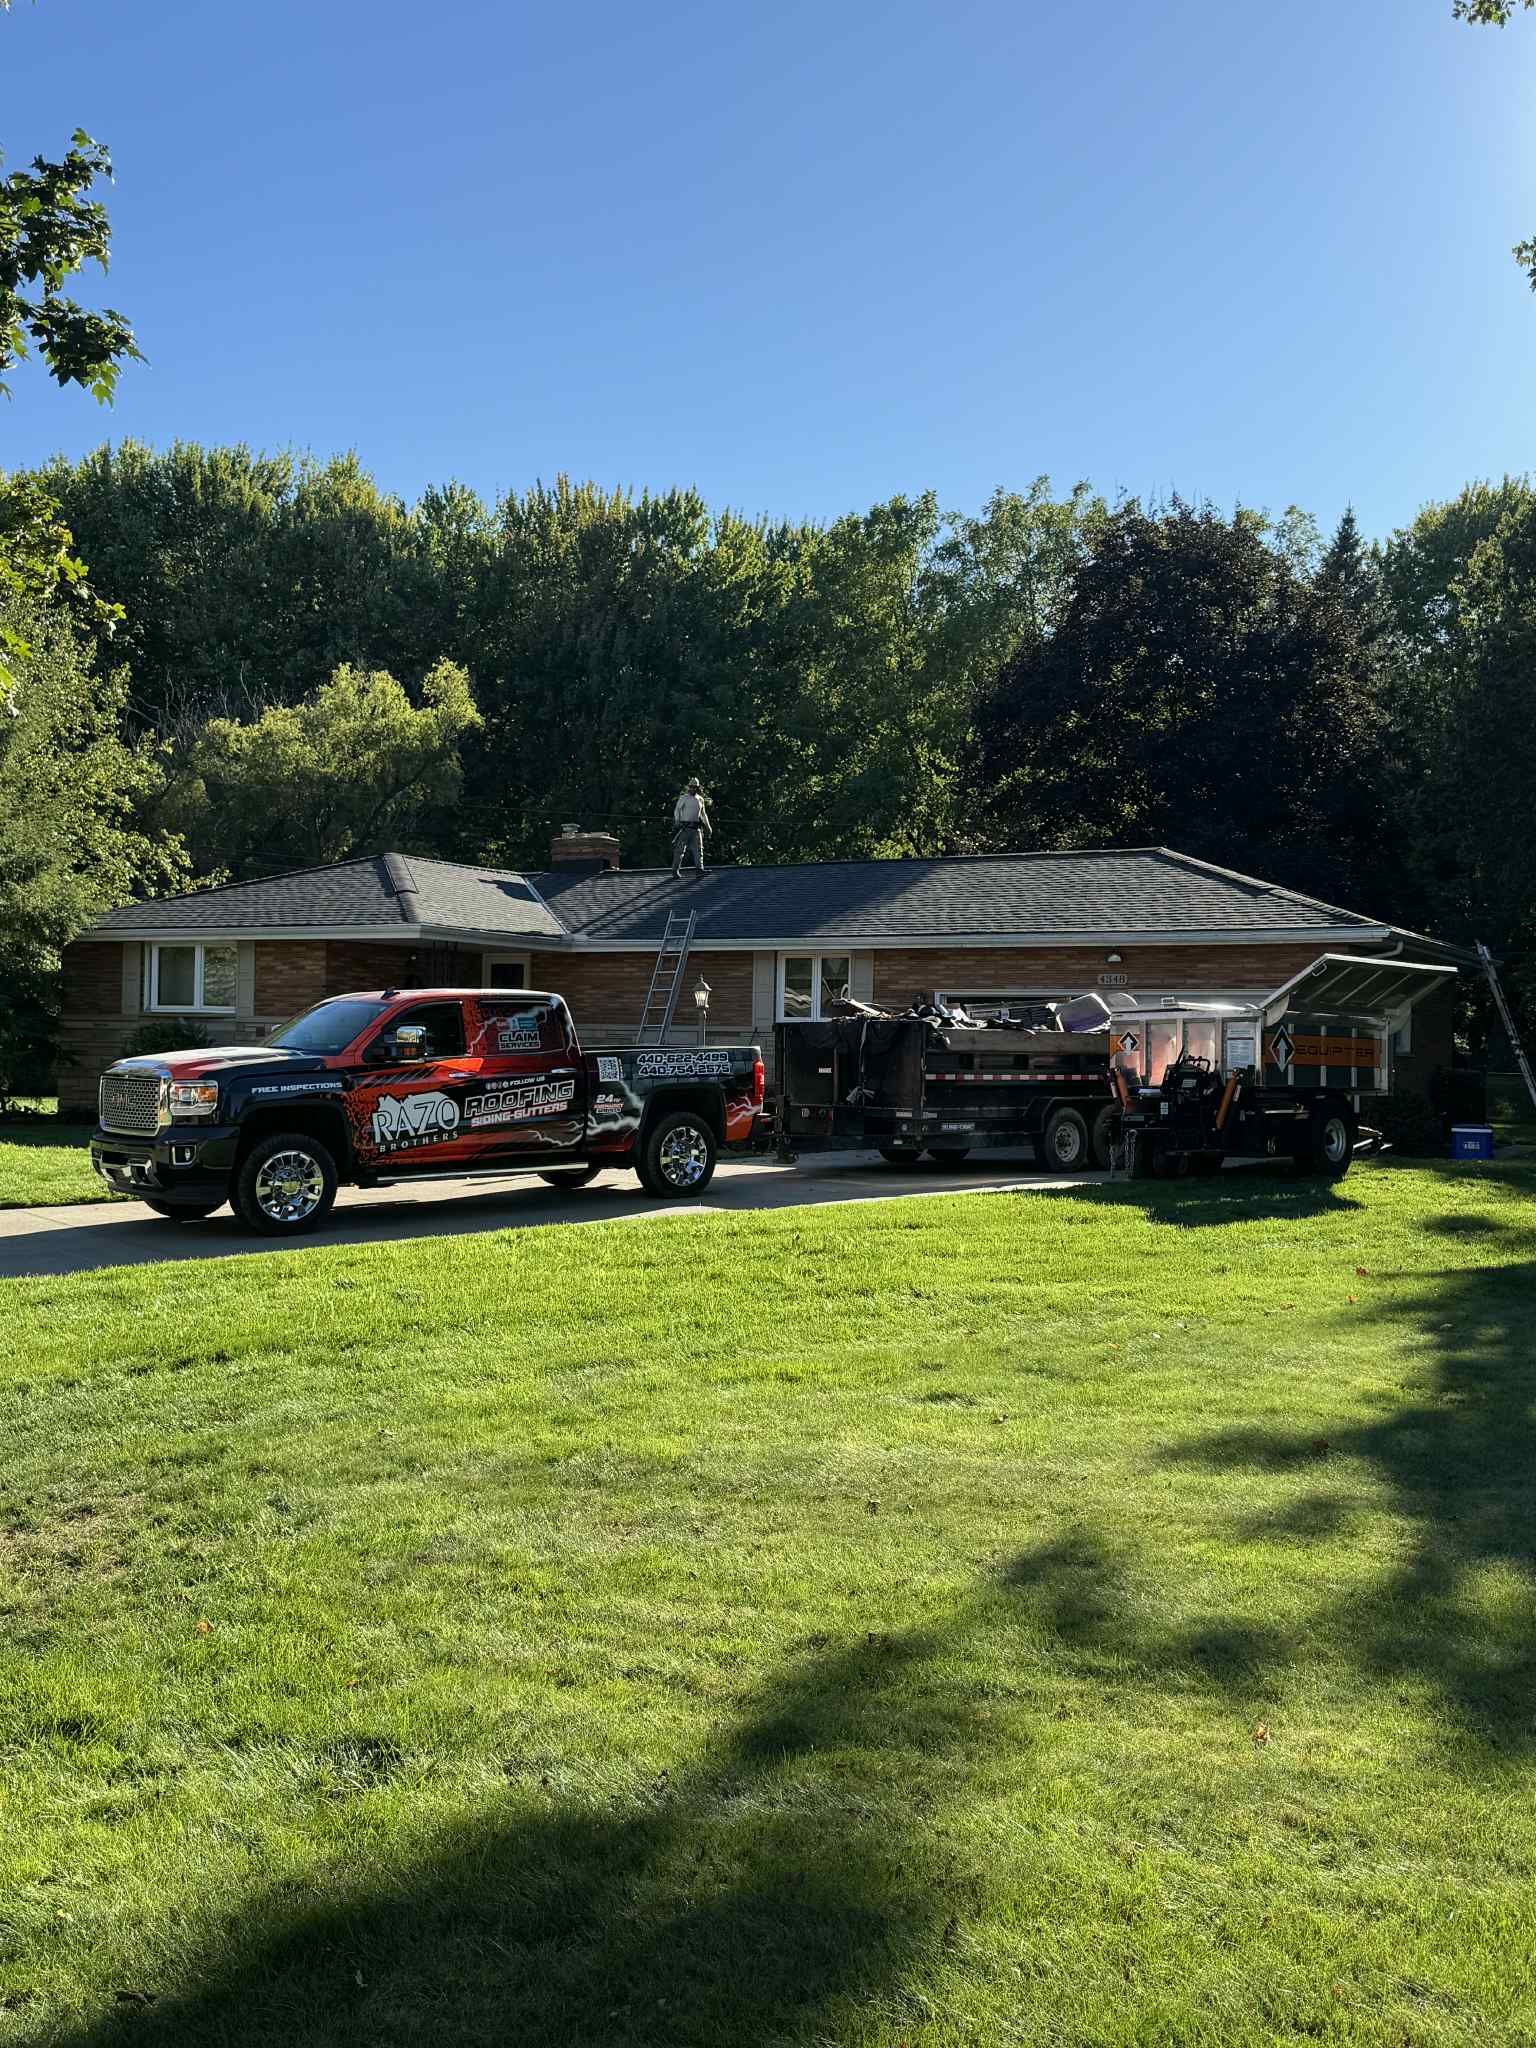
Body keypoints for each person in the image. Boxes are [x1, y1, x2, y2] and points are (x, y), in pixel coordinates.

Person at [671, 776, 712, 878]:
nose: (693, 789)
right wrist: (677, 821)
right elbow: (677, 810)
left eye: (695, 787)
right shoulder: (684, 798)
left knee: (698, 849)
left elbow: (703, 814)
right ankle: (675, 870)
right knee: (680, 850)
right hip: (685, 827)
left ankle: (699, 869)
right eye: (691, 787)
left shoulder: (700, 799)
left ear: (697, 788)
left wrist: (708, 827)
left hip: (696, 828)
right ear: (689, 787)